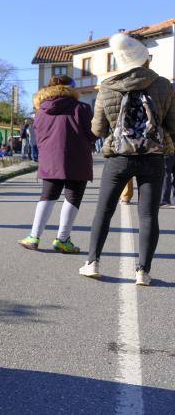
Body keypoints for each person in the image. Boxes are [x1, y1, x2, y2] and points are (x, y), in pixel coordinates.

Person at [80, 33, 175, 285]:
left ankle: (92, 263)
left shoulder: (108, 86)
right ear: (145, 60)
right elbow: (173, 124)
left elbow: (97, 130)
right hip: (153, 156)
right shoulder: (164, 85)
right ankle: (143, 271)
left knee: (105, 209)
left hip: (119, 156)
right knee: (148, 215)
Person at [19, 75, 95, 253]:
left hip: (49, 159)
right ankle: (62, 239)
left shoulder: (40, 110)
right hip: (77, 158)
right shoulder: (82, 108)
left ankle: (33, 236)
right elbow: (92, 134)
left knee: (47, 196)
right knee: (72, 198)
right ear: (71, 88)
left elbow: (38, 137)